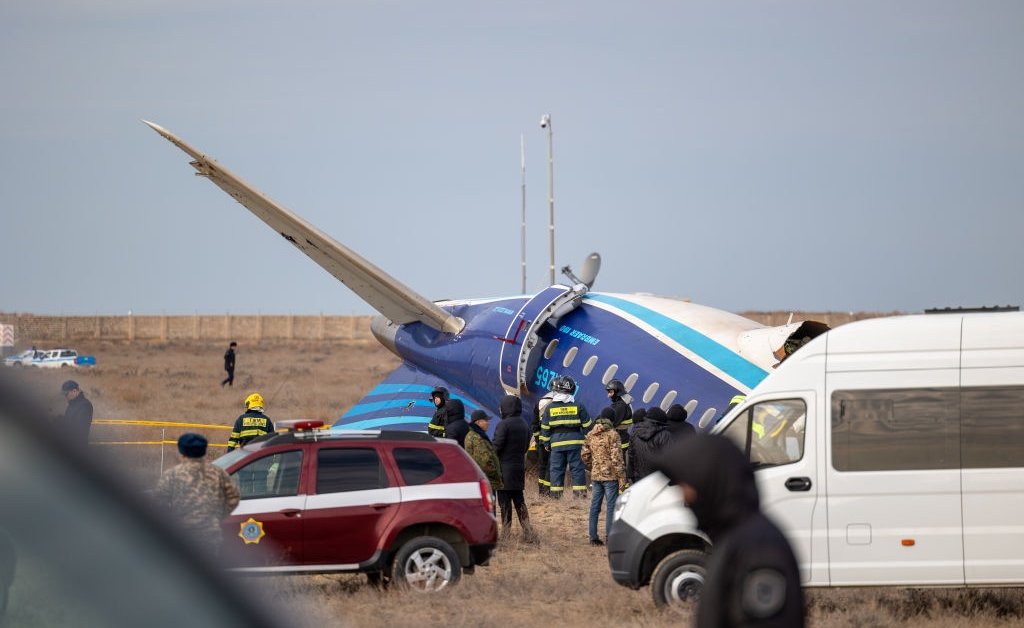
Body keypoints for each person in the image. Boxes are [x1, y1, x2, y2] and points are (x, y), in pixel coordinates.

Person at [653, 435, 804, 627]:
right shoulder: (733, 538)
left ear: (709, 481)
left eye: (687, 486)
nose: (684, 496)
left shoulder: (759, 549)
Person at [152, 433, 241, 557]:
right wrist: (217, 515)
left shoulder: (171, 475)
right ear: (204, 451)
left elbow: (158, 504)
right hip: (209, 534)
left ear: (181, 452)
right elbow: (234, 497)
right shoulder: (218, 473)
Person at [492, 394, 537, 542]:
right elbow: (525, 447)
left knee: (504, 503)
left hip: (504, 470)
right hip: (518, 468)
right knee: (519, 501)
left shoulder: (503, 425)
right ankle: (528, 531)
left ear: (506, 407)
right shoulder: (524, 424)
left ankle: (506, 534)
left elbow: (496, 447)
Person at [540, 375, 592, 499]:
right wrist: (586, 440)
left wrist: (546, 444)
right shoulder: (578, 405)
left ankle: (556, 496)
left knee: (556, 470)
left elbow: (545, 428)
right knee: (577, 469)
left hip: (557, 444)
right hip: (575, 443)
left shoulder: (550, 407)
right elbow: (588, 426)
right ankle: (579, 496)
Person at [581, 411, 625, 546]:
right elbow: (616, 458)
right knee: (611, 507)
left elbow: (585, 455)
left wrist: (594, 466)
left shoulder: (590, 434)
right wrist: (621, 476)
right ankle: (609, 537)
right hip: (610, 477)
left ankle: (593, 538)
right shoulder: (613, 435)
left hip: (596, 476)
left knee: (595, 506)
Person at [627, 406, 672, 484]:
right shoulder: (664, 434)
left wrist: (633, 474)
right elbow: (670, 458)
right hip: (658, 479)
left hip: (639, 478)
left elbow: (631, 455)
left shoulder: (635, 432)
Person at [465, 411, 503, 493]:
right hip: (487, 481)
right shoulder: (477, 438)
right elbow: (485, 462)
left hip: (483, 480)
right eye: (486, 420)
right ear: (478, 422)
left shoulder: (474, 435)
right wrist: (496, 473)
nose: (488, 423)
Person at [530, 387, 557, 497]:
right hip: (554, 439)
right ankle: (548, 491)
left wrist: (537, 440)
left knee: (542, 466)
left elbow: (535, 424)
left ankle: (541, 491)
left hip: (542, 439)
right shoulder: (560, 402)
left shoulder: (541, 402)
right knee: (552, 466)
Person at [604, 379, 633, 459]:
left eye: (611, 392)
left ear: (617, 392)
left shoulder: (620, 407)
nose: (609, 395)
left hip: (617, 443)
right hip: (621, 441)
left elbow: (609, 423)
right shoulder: (624, 404)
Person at [61, 379, 93, 446]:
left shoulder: (85, 405)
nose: (65, 397)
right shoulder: (72, 404)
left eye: (66, 394)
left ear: (74, 391)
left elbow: (79, 429)